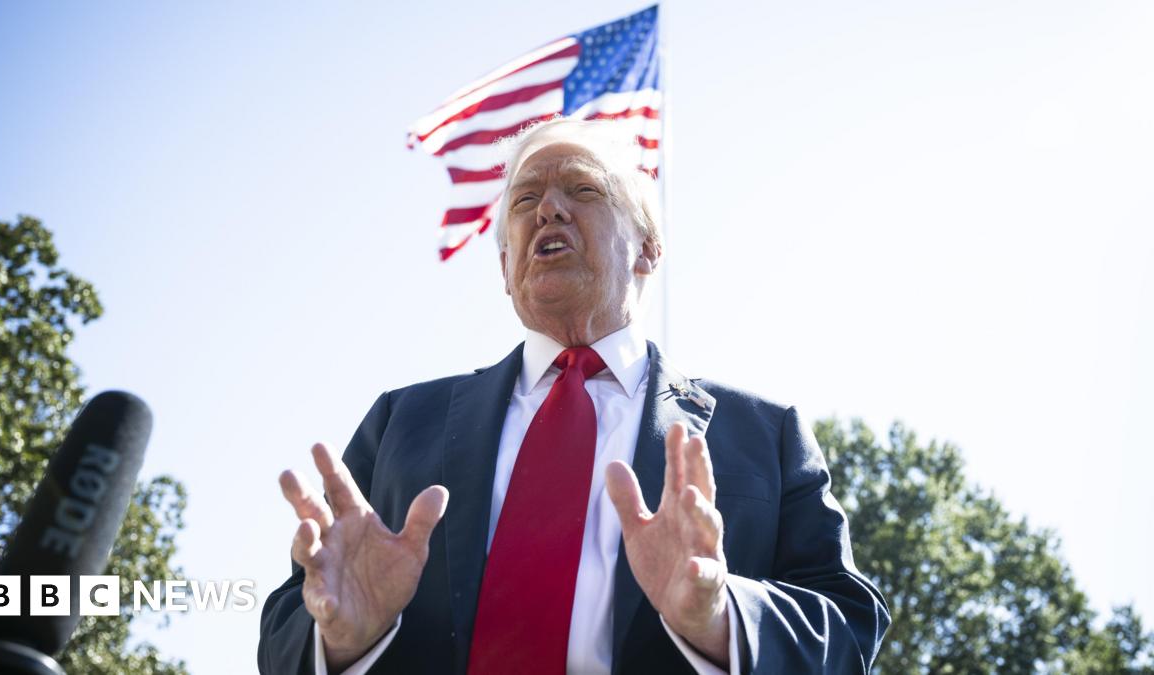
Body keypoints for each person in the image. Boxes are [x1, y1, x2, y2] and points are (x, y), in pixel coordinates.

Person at [257, 119, 890, 674]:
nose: (549, 210)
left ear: (648, 249)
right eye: (525, 199)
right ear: (505, 268)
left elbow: (848, 627)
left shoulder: (762, 435)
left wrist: (720, 615)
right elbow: (290, 625)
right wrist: (341, 640)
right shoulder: (402, 421)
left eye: (583, 190)